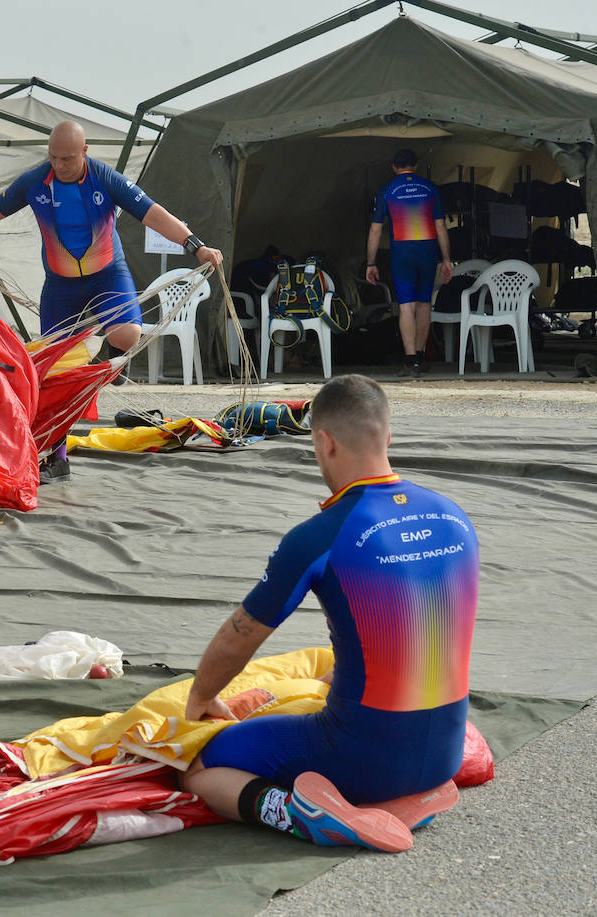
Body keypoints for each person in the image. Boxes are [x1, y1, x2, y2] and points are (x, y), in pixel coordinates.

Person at [180, 374, 479, 853]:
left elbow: (238, 640)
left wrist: (200, 696)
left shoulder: (321, 535)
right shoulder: (453, 516)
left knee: (200, 769)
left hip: (359, 758)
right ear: (387, 435)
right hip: (443, 752)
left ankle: (304, 816)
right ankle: (407, 795)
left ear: (324, 441)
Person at [0, 121, 222, 482]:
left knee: (127, 336)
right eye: (53, 157)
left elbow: (152, 213)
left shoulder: (105, 179)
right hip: (61, 286)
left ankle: (107, 359)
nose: (59, 165)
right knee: (55, 374)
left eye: (67, 158)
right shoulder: (36, 181)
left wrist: (195, 245)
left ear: (85, 152)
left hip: (107, 275)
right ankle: (57, 458)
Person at [365, 149, 452, 377]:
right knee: (424, 304)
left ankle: (410, 359)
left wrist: (370, 263)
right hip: (427, 249)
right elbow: (441, 226)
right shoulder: (430, 188)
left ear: (394, 167)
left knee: (406, 306)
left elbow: (376, 229)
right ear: (415, 166)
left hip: (402, 251)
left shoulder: (387, 190)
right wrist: (446, 259)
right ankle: (421, 357)